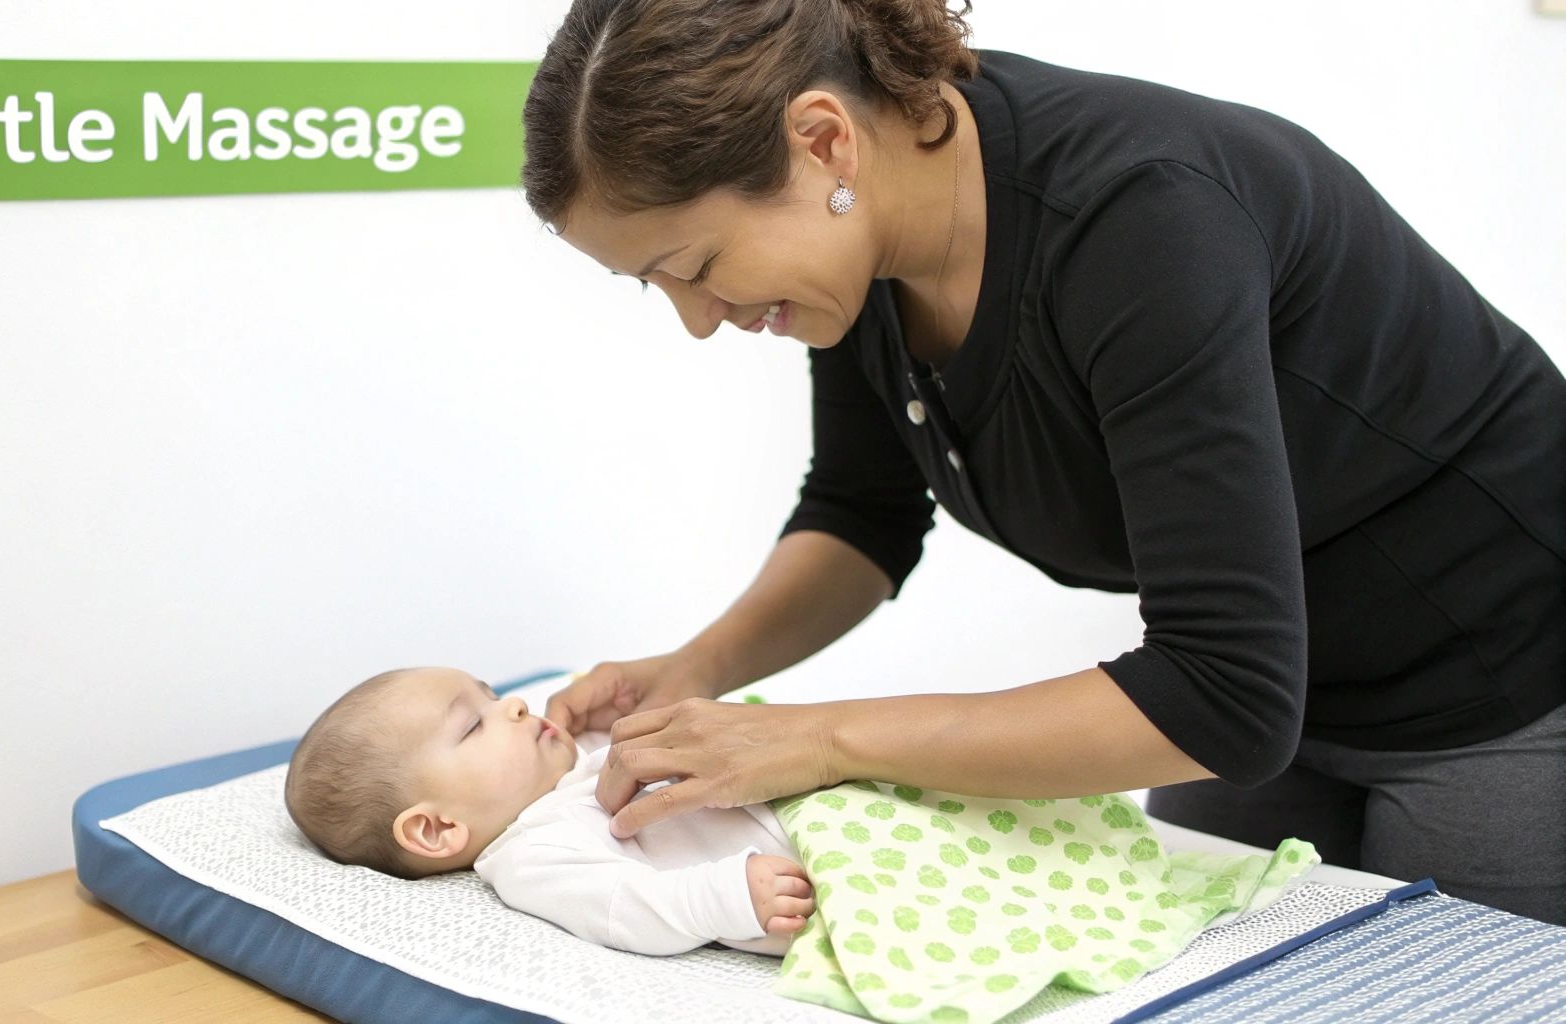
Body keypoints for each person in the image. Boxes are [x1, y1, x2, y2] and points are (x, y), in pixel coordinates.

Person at [524, 0, 1566, 925]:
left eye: (695, 267)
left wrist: (823, 736)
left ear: (822, 141)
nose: (699, 322)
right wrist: (691, 672)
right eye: (652, 286)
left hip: (1494, 660)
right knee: (1197, 961)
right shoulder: (864, 249)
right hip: (1269, 689)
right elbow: (860, 511)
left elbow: (1220, 697)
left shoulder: (1142, 217)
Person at [282, 667, 814, 955]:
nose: (513, 706)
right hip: (808, 882)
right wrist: (722, 897)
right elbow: (624, 908)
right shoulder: (532, 853)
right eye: (473, 725)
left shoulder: (577, 762)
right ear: (438, 827)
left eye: (490, 693)